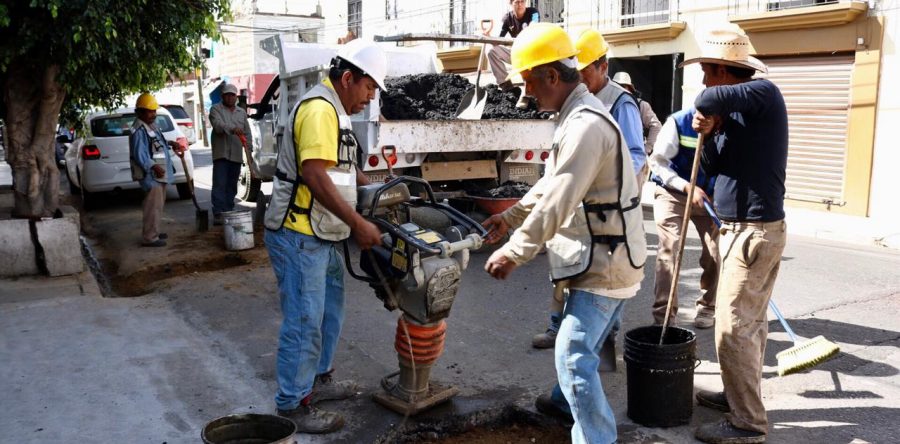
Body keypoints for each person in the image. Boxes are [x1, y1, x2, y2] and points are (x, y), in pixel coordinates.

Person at [483, 23, 646, 444]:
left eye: (530, 84)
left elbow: (560, 197)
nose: (528, 95)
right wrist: (512, 215)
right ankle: (574, 415)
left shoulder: (585, 125)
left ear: (552, 76)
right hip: (599, 256)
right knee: (581, 355)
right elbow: (550, 183)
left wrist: (514, 252)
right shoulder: (575, 117)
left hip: (604, 263)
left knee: (573, 356)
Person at [262, 39, 386, 434]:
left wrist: (385, 192)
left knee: (330, 310)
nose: (370, 97)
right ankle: (292, 404)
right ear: (347, 78)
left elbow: (343, 171)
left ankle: (318, 380)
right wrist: (359, 224)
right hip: (299, 233)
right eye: (368, 87)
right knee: (305, 318)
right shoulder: (319, 110)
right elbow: (315, 175)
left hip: (323, 231)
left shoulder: (337, 110)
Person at [684, 28, 787, 444]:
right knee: (751, 325)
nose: (704, 81)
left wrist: (705, 110)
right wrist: (706, 132)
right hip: (736, 229)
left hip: (754, 231)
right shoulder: (736, 114)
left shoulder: (764, 93)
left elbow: (706, 98)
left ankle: (747, 425)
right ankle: (737, 397)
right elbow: (713, 164)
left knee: (732, 329)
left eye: (708, 72)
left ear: (726, 72)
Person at [529, 29, 646, 357]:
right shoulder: (573, 103)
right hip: (579, 216)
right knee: (567, 277)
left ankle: (596, 345)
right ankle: (563, 332)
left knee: (601, 291)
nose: (578, 77)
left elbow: (634, 155)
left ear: (603, 67)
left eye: (585, 71)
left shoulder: (621, 103)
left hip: (609, 218)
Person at [648, 107, 719, 329]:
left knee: (715, 254)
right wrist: (687, 187)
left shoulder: (731, 124)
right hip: (673, 192)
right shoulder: (678, 122)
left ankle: (708, 306)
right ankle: (664, 317)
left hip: (709, 197)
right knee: (670, 250)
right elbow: (657, 163)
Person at [129, 93, 186, 247]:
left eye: (154, 111)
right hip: (151, 175)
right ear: (140, 112)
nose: (153, 114)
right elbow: (139, 154)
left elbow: (156, 143)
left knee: (158, 205)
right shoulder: (139, 129)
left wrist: (171, 143)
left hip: (158, 174)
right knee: (152, 206)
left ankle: (154, 231)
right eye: (149, 111)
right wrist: (153, 166)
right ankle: (149, 237)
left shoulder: (150, 125)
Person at [208, 83, 252, 225]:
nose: (230, 97)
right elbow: (218, 126)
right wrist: (232, 129)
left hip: (236, 154)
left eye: (232, 95)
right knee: (220, 184)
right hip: (221, 154)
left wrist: (249, 149)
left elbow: (247, 133)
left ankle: (228, 210)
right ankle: (219, 213)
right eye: (227, 95)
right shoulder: (215, 110)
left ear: (236, 97)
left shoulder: (241, 112)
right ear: (222, 96)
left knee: (232, 185)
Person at [485, 0, 539, 92]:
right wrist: (488, 36)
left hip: (532, 53)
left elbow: (534, 25)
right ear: (511, 4)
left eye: (522, 1)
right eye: (517, 2)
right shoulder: (507, 18)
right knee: (491, 52)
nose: (520, 4)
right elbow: (498, 41)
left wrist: (530, 29)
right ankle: (506, 85)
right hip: (517, 53)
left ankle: (530, 90)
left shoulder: (533, 12)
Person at [612, 71, 662, 168]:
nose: (620, 89)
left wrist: (647, 149)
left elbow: (656, 126)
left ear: (629, 88)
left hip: (634, 159)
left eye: (623, 86)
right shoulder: (610, 104)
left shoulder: (641, 105)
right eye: (617, 86)